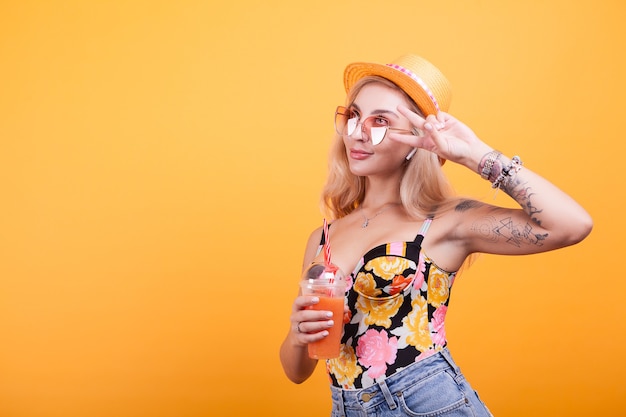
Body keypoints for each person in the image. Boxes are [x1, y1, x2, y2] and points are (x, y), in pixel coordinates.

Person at [279, 54, 592, 417]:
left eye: (380, 120)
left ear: (417, 140)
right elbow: (296, 372)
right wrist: (298, 337)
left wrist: (476, 155)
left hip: (426, 403)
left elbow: (572, 225)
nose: (359, 132)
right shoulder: (323, 237)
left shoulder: (444, 221)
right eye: (354, 115)